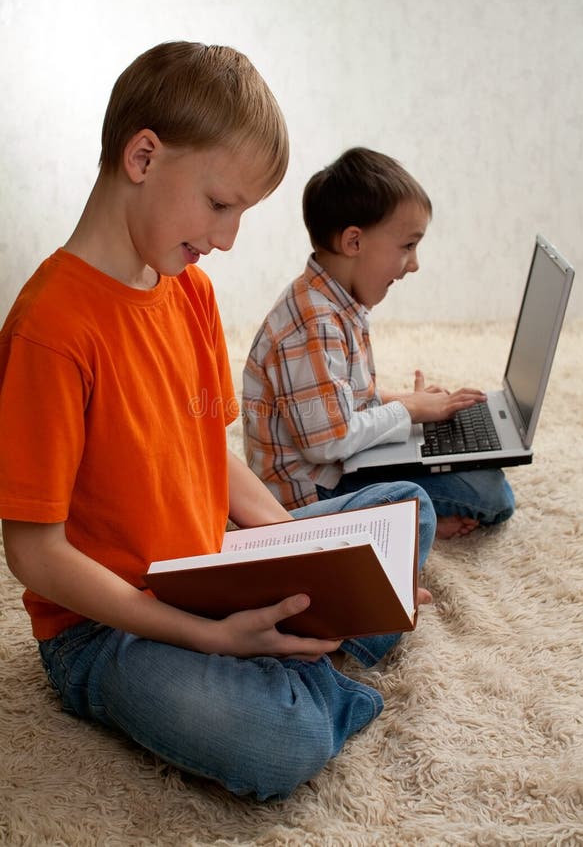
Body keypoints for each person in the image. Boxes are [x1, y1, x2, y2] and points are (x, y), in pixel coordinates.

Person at [0, 44, 436, 802]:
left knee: (411, 511)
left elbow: (214, 455)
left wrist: (303, 550)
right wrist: (206, 635)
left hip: (212, 567)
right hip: (107, 629)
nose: (228, 239)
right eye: (221, 205)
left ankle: (303, 632)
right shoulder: (51, 329)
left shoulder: (188, 292)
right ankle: (304, 665)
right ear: (143, 156)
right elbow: (36, 554)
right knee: (280, 743)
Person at [242, 147, 515, 538]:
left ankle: (403, 510)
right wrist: (410, 411)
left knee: (474, 468)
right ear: (354, 241)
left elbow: (344, 398)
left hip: (342, 467)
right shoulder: (313, 322)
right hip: (315, 493)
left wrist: (411, 404)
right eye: (408, 245)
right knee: (492, 494)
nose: (415, 263)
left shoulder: (334, 303)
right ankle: (386, 519)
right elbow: (330, 442)